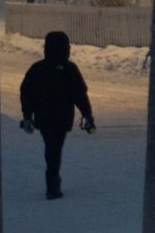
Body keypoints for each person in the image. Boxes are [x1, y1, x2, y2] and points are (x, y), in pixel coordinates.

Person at [18, 30, 96, 199]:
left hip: (44, 117)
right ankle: (53, 181)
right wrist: (87, 116)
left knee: (52, 148)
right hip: (61, 118)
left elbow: (26, 93)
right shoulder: (70, 69)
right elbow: (80, 95)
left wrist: (27, 114)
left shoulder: (38, 68)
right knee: (54, 148)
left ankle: (53, 178)